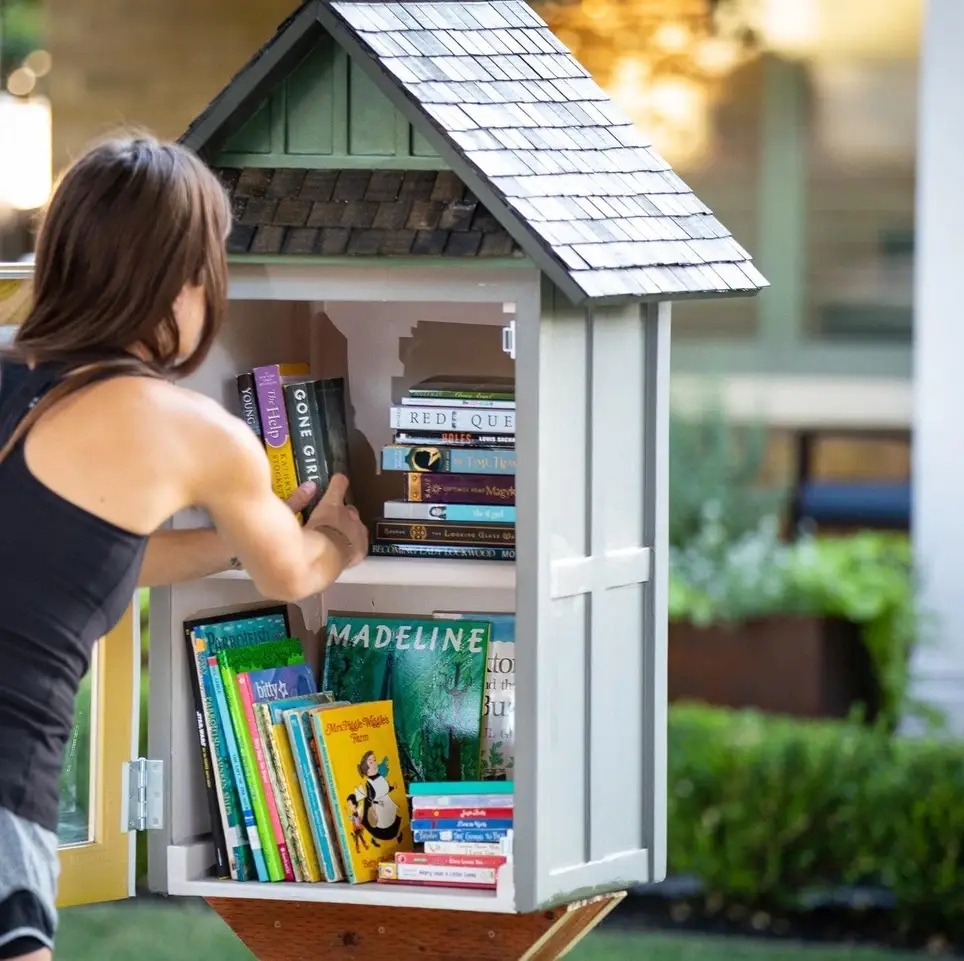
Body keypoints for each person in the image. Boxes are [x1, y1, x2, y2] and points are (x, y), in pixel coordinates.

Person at [0, 134, 370, 961]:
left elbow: (65, 561)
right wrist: (337, 538)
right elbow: (291, 570)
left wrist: (222, 536)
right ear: (184, 281)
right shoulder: (192, 428)